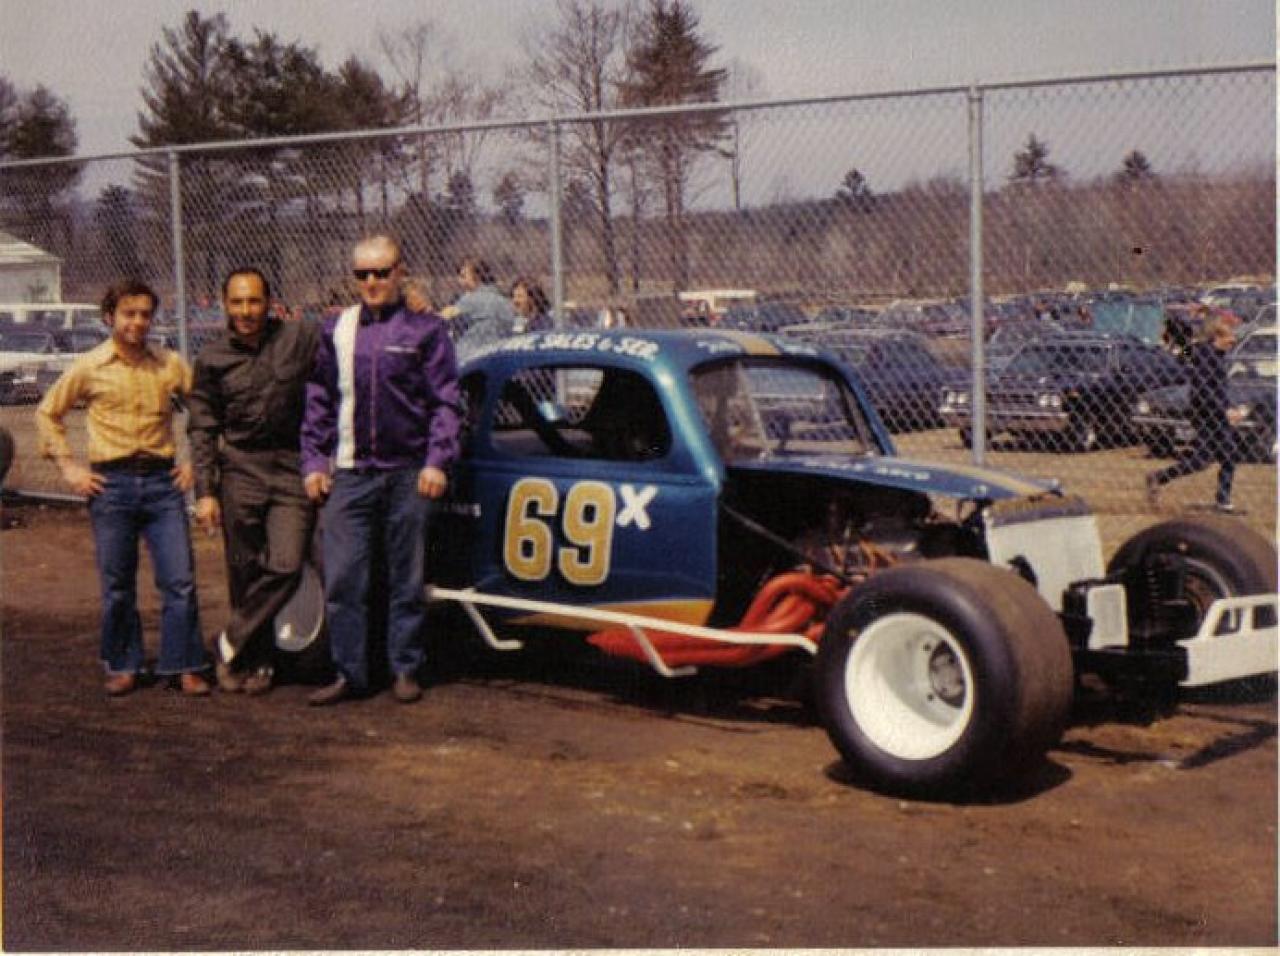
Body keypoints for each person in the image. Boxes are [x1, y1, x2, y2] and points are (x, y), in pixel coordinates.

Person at [301, 234, 461, 706]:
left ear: (399, 272)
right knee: (343, 578)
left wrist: (437, 461)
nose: (371, 282)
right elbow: (319, 398)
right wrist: (314, 461)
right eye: (362, 274)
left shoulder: (426, 330)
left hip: (408, 472)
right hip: (351, 474)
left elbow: (446, 402)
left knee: (405, 577)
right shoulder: (337, 329)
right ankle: (349, 673)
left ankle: (404, 668)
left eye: (381, 272)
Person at [35, 279, 211, 697]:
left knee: (179, 579)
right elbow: (47, 413)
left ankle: (184, 663)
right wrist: (70, 468)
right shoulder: (90, 366)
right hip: (110, 486)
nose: (137, 322)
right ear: (109, 317)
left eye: (145, 314)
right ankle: (124, 663)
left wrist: (194, 463)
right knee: (117, 585)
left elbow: (205, 411)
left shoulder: (169, 364)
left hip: (163, 484)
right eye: (129, 314)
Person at [188, 267, 320, 695]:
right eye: (237, 302)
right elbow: (203, 427)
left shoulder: (299, 338)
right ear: (225, 305)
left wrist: (413, 308)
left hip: (291, 466)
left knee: (286, 562)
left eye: (254, 301)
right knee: (243, 567)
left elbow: (348, 332)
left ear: (269, 302)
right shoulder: (212, 359)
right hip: (240, 466)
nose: (246, 311)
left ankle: (228, 641)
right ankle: (255, 660)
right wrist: (205, 492)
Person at [1146, 315, 1243, 513]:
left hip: (1217, 413)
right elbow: (1203, 390)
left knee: (1229, 455)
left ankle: (1223, 501)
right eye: (1230, 337)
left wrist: (1230, 408)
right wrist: (1224, 410)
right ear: (1217, 337)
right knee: (1201, 461)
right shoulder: (1207, 356)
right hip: (1207, 414)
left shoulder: (1215, 355)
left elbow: (1219, 388)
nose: (1234, 341)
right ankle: (1159, 477)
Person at [448, 257, 517, 359]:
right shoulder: (504, 299)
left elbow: (444, 318)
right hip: (499, 352)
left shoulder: (469, 299)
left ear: (477, 276)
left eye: (463, 276)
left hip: (468, 354)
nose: (459, 281)